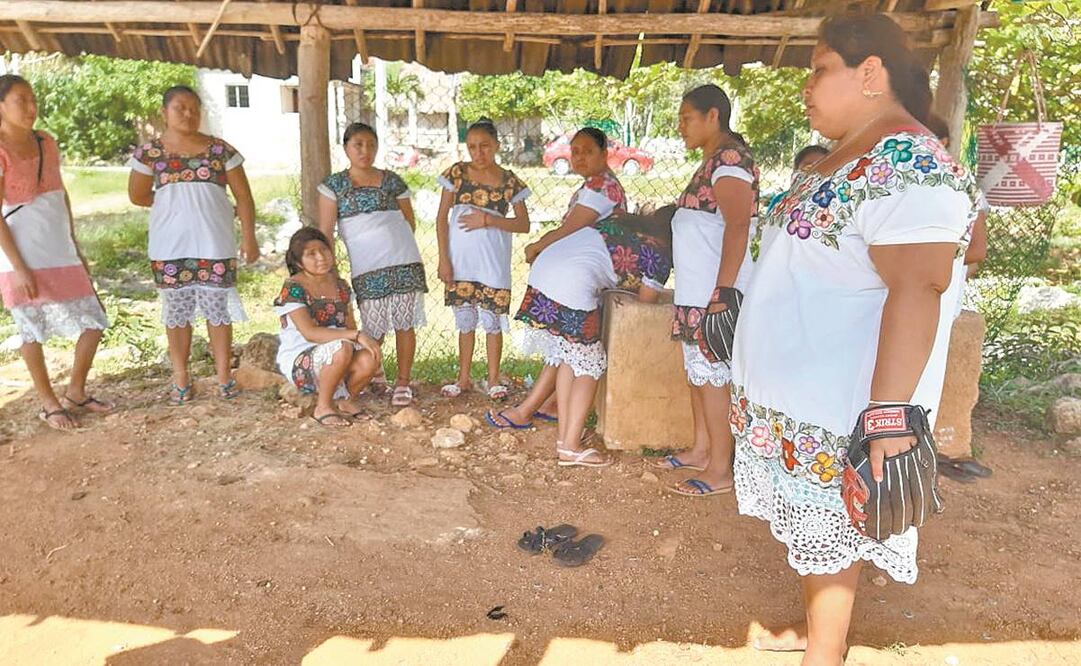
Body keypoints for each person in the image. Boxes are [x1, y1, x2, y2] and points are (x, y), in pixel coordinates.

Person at [732, 15, 980, 664]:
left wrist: (888, 417)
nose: (806, 87)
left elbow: (920, 285)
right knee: (820, 531)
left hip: (842, 405)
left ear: (869, 72)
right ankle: (823, 637)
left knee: (834, 526)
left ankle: (825, 653)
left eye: (818, 70)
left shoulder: (909, 162)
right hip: (804, 399)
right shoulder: (851, 153)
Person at [490, 128, 672, 466]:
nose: (579, 157)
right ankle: (571, 447)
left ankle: (566, 440)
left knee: (569, 356)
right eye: (575, 151)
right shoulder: (660, 252)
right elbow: (648, 301)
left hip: (546, 275)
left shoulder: (626, 221)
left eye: (587, 150)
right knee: (589, 365)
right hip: (571, 283)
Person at [651, 84, 758, 498]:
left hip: (714, 292)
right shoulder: (714, 161)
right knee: (699, 374)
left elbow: (738, 225)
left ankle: (720, 469)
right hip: (697, 292)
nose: (680, 126)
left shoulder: (730, 160)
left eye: (686, 118)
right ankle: (701, 450)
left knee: (713, 378)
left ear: (713, 116)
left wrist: (723, 290)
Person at [127, 85, 258, 404]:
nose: (188, 114)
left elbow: (243, 197)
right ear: (165, 113)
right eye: (180, 108)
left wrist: (249, 237)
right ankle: (181, 378)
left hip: (215, 243)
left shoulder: (221, 150)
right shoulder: (149, 153)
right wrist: (173, 202)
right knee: (177, 313)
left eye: (194, 109)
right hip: (169, 246)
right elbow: (138, 195)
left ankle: (224, 377)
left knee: (217, 310)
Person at [0, 74, 112, 430]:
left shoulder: (47, 141)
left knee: (94, 319)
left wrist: (75, 245)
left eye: (32, 99)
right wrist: (19, 267)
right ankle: (49, 403)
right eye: (21, 100)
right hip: (21, 251)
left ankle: (76, 392)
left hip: (58, 246)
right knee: (30, 326)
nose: (30, 107)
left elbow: (61, 195)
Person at [318, 122, 427, 408]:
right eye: (358, 145)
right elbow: (326, 231)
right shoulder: (333, 186)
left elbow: (409, 222)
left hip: (403, 260)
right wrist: (329, 271)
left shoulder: (392, 181)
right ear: (346, 148)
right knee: (373, 327)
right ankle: (370, 373)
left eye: (371, 145)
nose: (365, 150)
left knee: (404, 323)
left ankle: (402, 382)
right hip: (367, 266)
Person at [435, 118, 530, 401]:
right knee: (465, 322)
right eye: (472, 147)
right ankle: (463, 378)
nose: (478, 153)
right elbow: (441, 218)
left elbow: (523, 224)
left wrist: (488, 220)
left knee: (492, 322)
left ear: (497, 146)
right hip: (461, 263)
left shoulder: (509, 181)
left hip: (492, 265)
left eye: (485, 146)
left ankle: (493, 379)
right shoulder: (456, 174)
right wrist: (443, 260)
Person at [924, 113, 993, 483]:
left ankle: (914, 458)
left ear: (945, 144)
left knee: (922, 374)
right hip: (928, 292)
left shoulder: (960, 185)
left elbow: (977, 250)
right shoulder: (909, 182)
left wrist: (930, 256)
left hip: (934, 293)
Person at [273, 228, 382, 426]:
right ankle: (323, 406)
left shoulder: (341, 286)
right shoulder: (293, 288)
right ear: (299, 262)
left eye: (324, 250)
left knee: (369, 356)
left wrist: (364, 343)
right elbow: (310, 333)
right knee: (342, 346)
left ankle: (345, 400)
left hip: (339, 353)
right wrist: (357, 335)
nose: (321, 257)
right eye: (311, 254)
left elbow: (349, 325)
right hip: (302, 359)